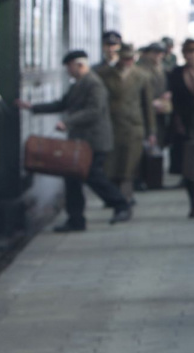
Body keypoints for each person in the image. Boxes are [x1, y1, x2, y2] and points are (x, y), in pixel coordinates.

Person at [17, 51, 132, 231]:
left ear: (79, 65)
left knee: (93, 176)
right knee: (72, 179)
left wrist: (68, 122)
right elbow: (62, 104)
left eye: (69, 67)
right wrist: (33, 107)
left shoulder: (93, 84)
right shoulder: (78, 84)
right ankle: (76, 220)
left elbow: (94, 110)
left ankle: (121, 205)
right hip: (82, 142)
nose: (67, 71)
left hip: (94, 141)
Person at [97, 43, 155, 202]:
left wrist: (151, 132)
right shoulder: (105, 74)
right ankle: (115, 197)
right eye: (124, 58)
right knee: (112, 165)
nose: (127, 62)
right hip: (112, 125)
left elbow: (147, 105)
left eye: (130, 59)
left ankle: (126, 197)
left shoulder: (142, 76)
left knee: (129, 165)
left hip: (133, 125)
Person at [167, 38, 194, 217]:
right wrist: (177, 123)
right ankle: (193, 204)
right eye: (188, 53)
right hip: (186, 124)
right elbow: (174, 101)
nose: (191, 56)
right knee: (189, 167)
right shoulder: (177, 73)